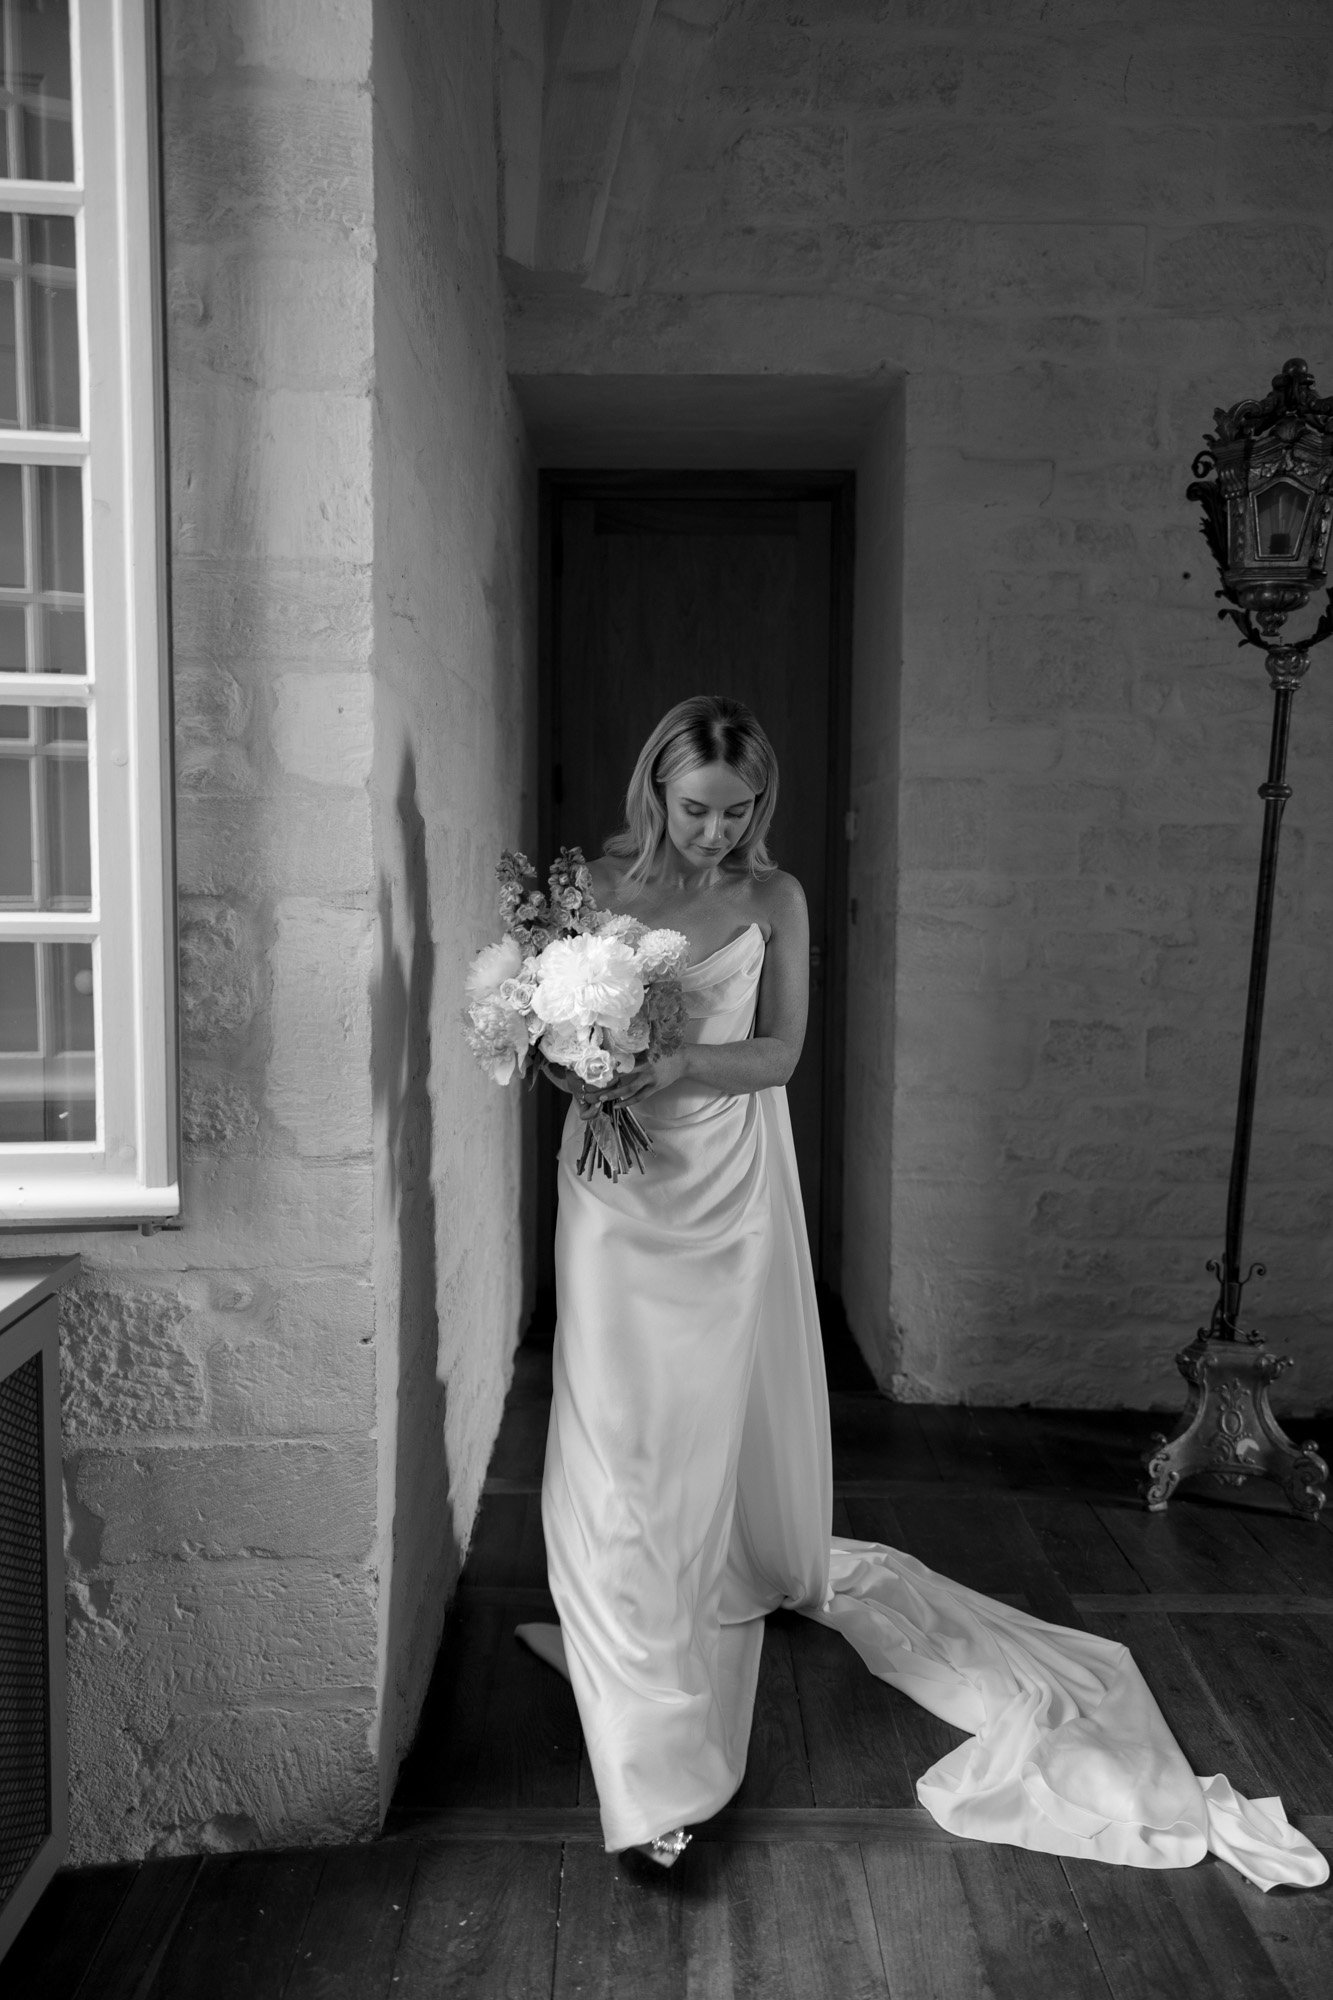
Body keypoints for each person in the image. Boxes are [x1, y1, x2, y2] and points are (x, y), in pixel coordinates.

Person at [517, 695, 1327, 1890]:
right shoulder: (586, 885)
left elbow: (783, 1052)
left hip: (723, 1187)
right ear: (654, 791)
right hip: (611, 1192)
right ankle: (641, 1728)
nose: (715, 830)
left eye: (739, 809)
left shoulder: (773, 898)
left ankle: (651, 1666)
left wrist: (675, 1062)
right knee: (608, 1432)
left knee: (683, 1437)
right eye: (695, 808)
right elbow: (539, 1031)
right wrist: (569, 1057)